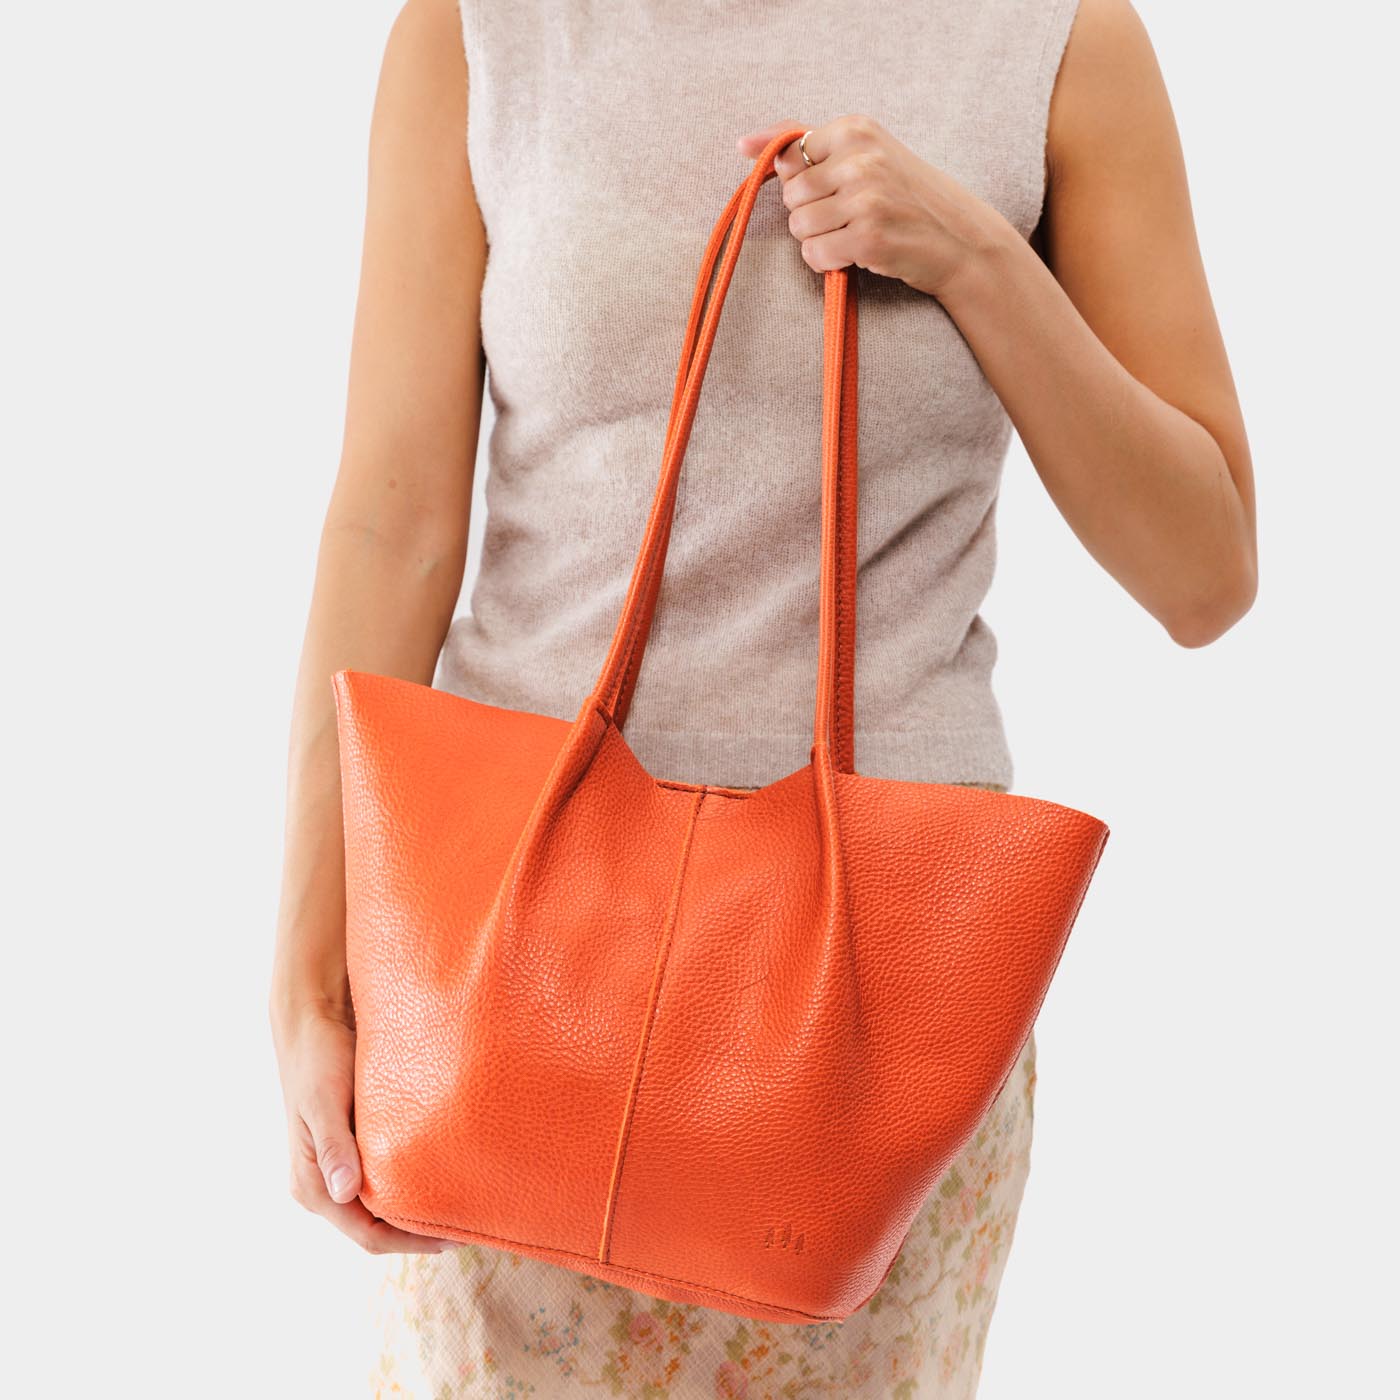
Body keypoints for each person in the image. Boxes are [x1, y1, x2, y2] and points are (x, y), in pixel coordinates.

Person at [270, 0, 1257, 1393]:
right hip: (505, 971)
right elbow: (393, 529)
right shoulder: (482, 31)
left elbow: (1207, 572)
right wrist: (305, 974)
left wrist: (977, 258)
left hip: (872, 1021)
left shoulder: (1055, 41)